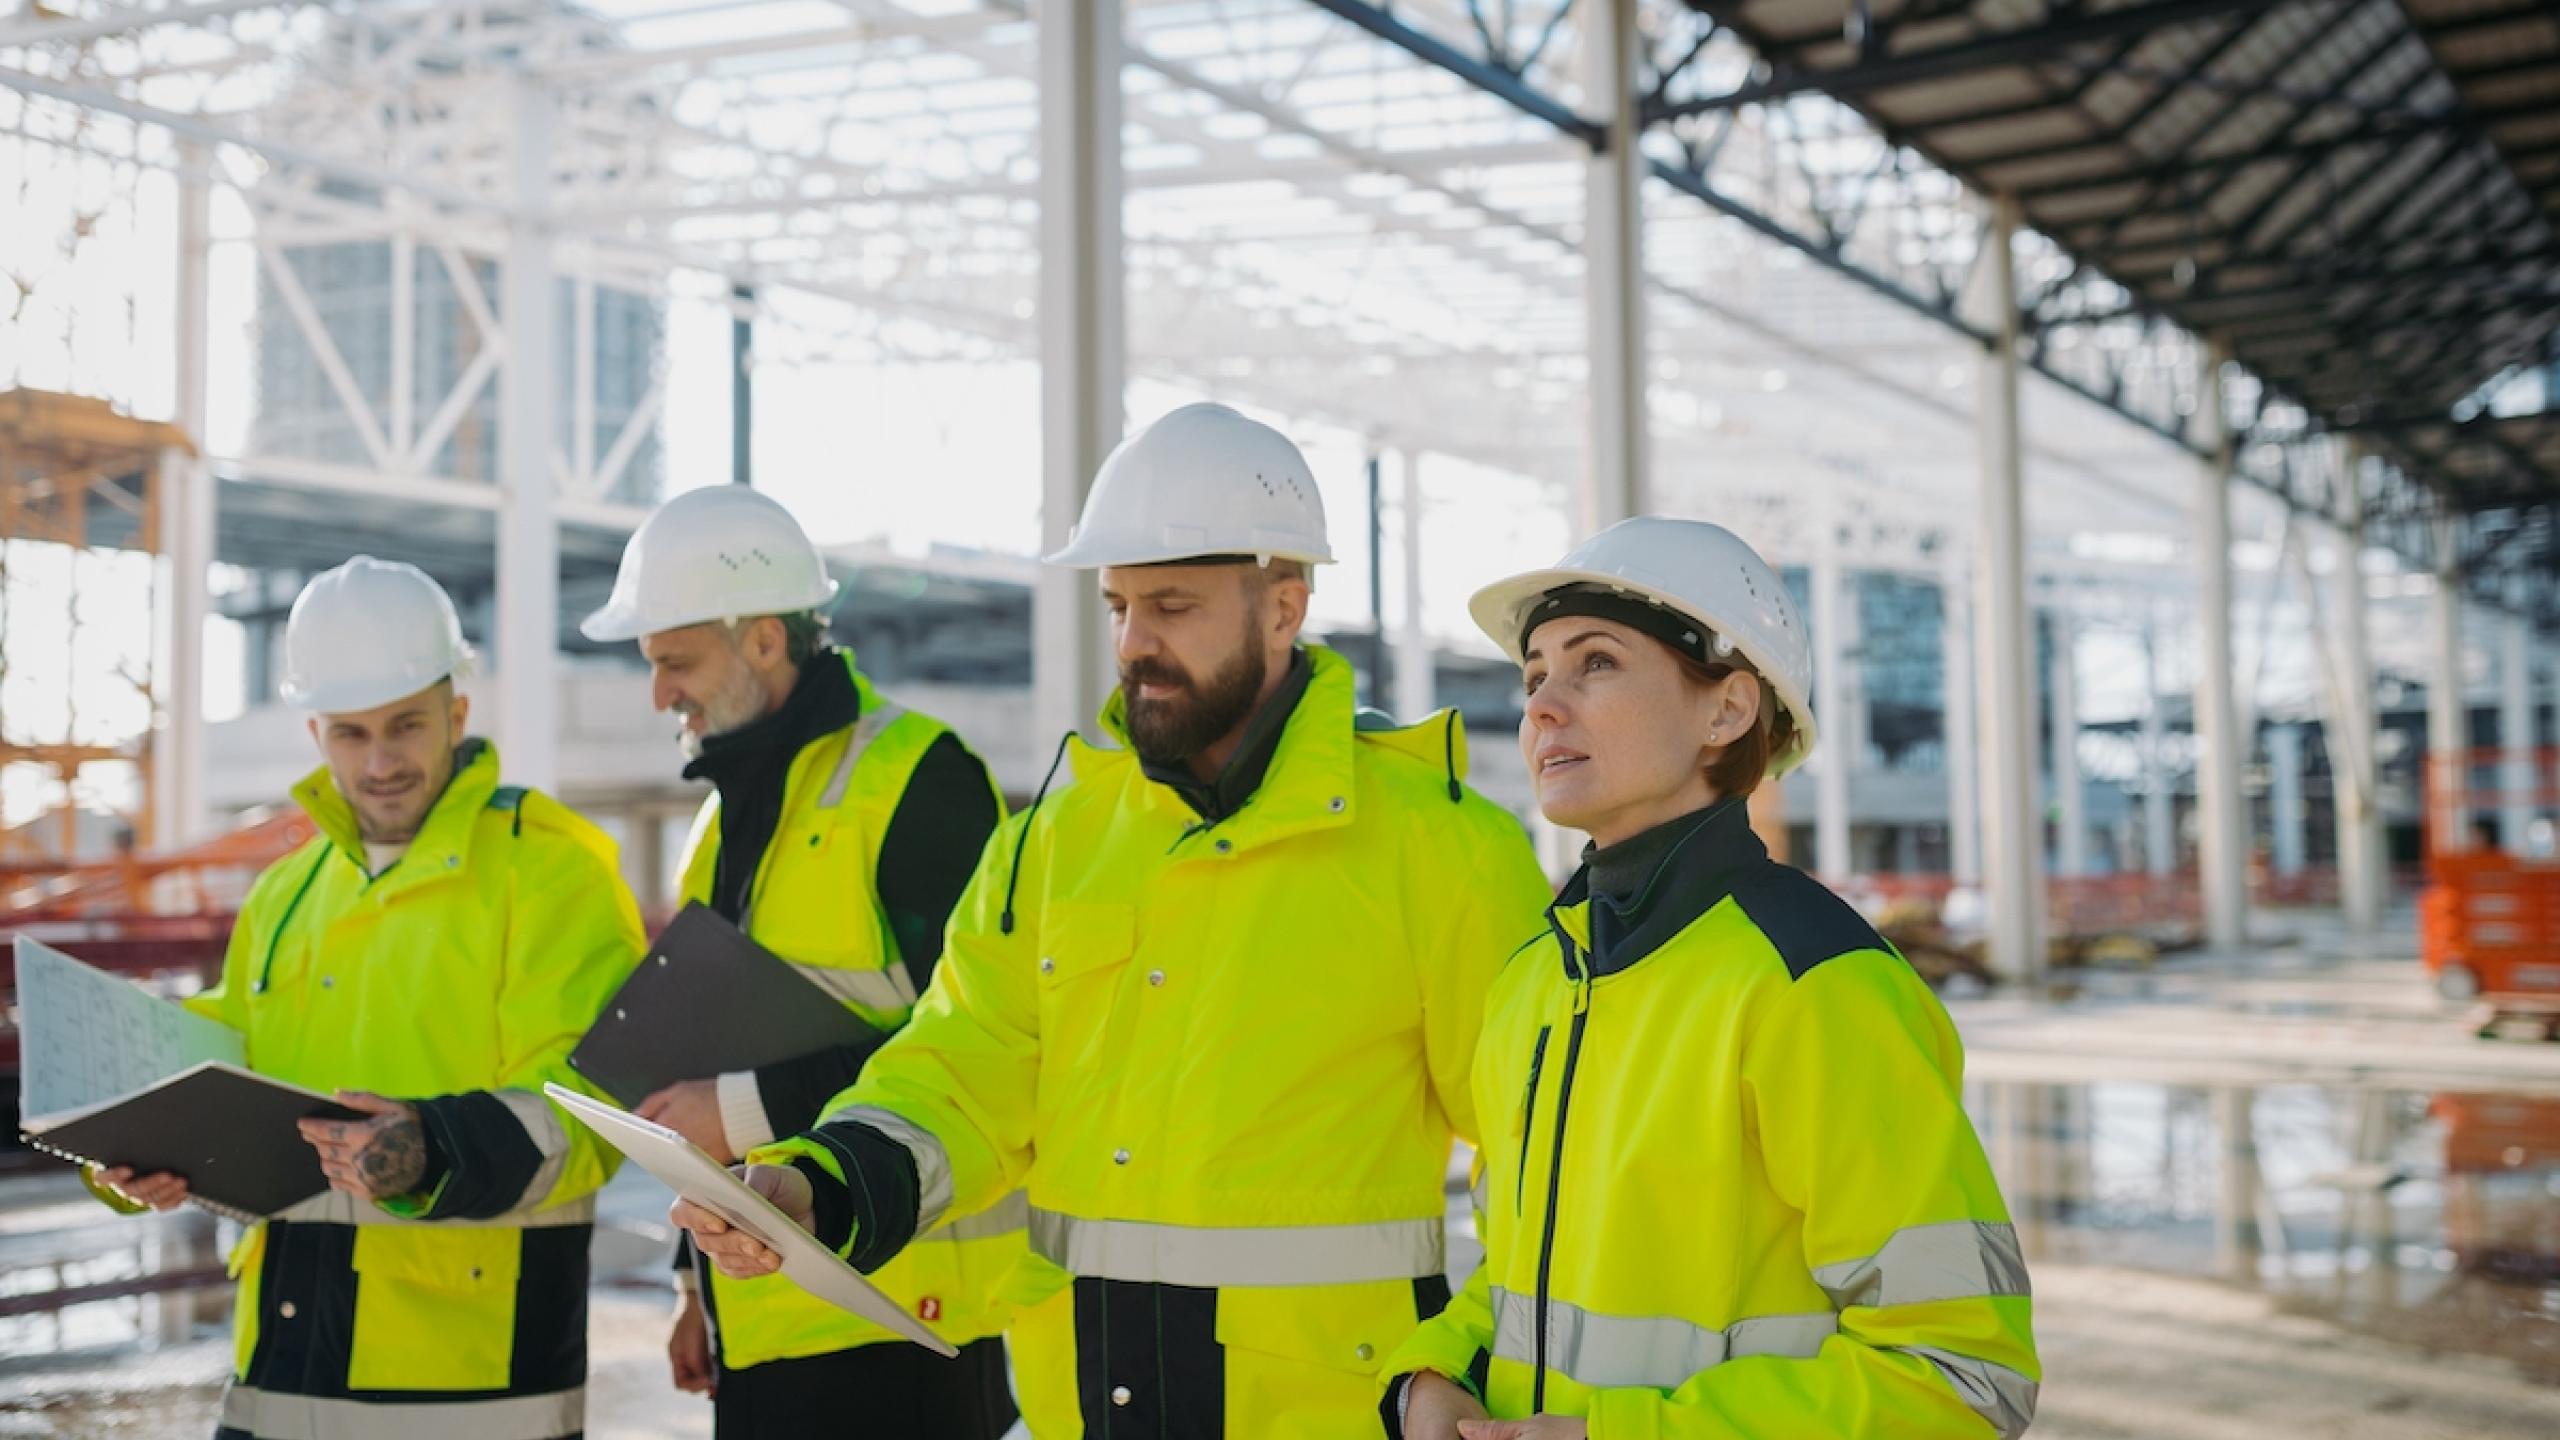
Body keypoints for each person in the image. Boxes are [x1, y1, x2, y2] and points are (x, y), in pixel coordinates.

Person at [675, 402, 1554, 1437]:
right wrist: (824, 1185)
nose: (1135, 643)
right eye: (1119, 606)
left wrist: (1466, 1365)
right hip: (1083, 1409)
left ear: (1284, 605)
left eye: (1173, 605)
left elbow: (1540, 1168)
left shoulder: (1442, 849)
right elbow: (961, 1065)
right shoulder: (1055, 836)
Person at [1381, 516, 2040, 1440]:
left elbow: (1966, 1376)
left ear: (1726, 710)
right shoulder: (1534, 981)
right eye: (1534, 675)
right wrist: (1436, 1373)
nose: (1542, 705)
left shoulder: (1814, 984)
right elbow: (1520, 1272)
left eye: (1596, 662)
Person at [95, 555, 643, 1440]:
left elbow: (595, 1113)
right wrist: (125, 1155)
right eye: (351, 733)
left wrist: (432, 1150)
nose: (381, 761)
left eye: (407, 725)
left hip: (471, 1389)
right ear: (315, 731)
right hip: (277, 1373)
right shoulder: (283, 893)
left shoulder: (552, 873)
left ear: (456, 713)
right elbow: (218, 1069)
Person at [579, 484, 1023, 1437]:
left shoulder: (919, 780)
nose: (660, 693)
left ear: (765, 641)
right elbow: (706, 1050)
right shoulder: (718, 821)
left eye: (675, 661)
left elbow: (980, 1042)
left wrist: (736, 1111)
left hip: (907, 1318)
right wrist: (692, 1289)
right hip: (762, 1315)